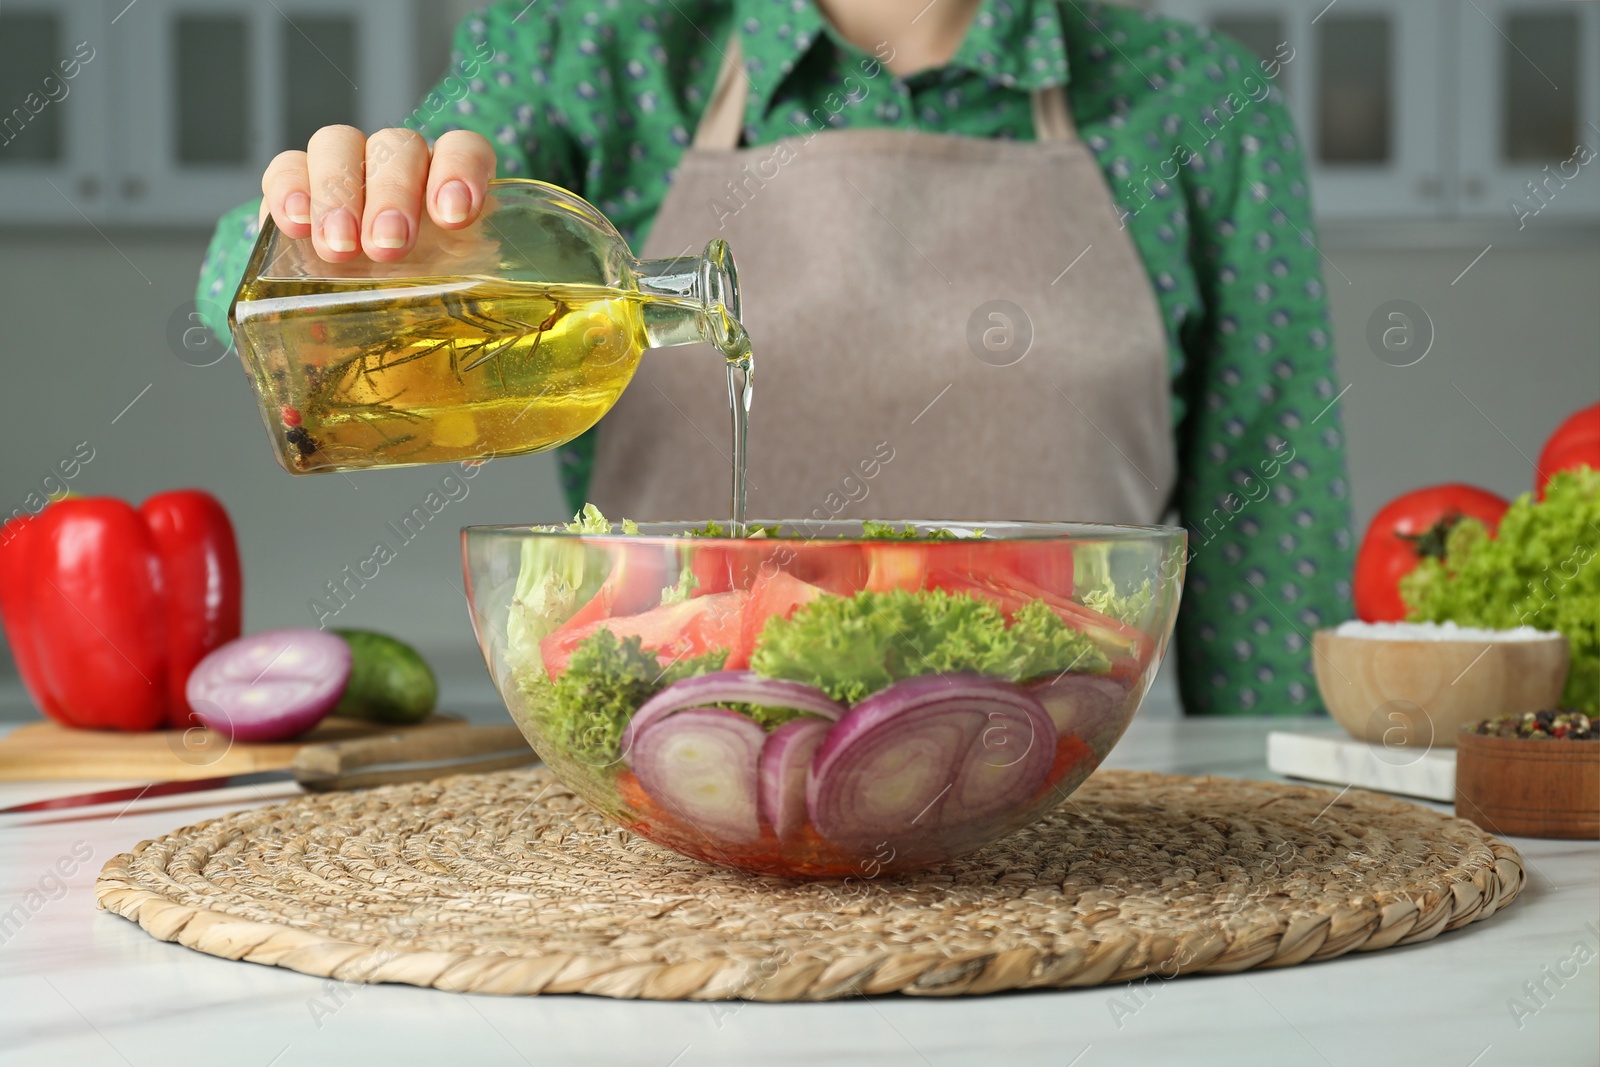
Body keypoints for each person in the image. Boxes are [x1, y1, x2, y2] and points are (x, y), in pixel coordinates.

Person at [197, 0, 1354, 716]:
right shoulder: (589, 52)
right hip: (671, 807)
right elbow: (233, 288)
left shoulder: (1196, 105)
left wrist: (1280, 847)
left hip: (1083, 828)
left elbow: (1268, 567)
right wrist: (347, 225)